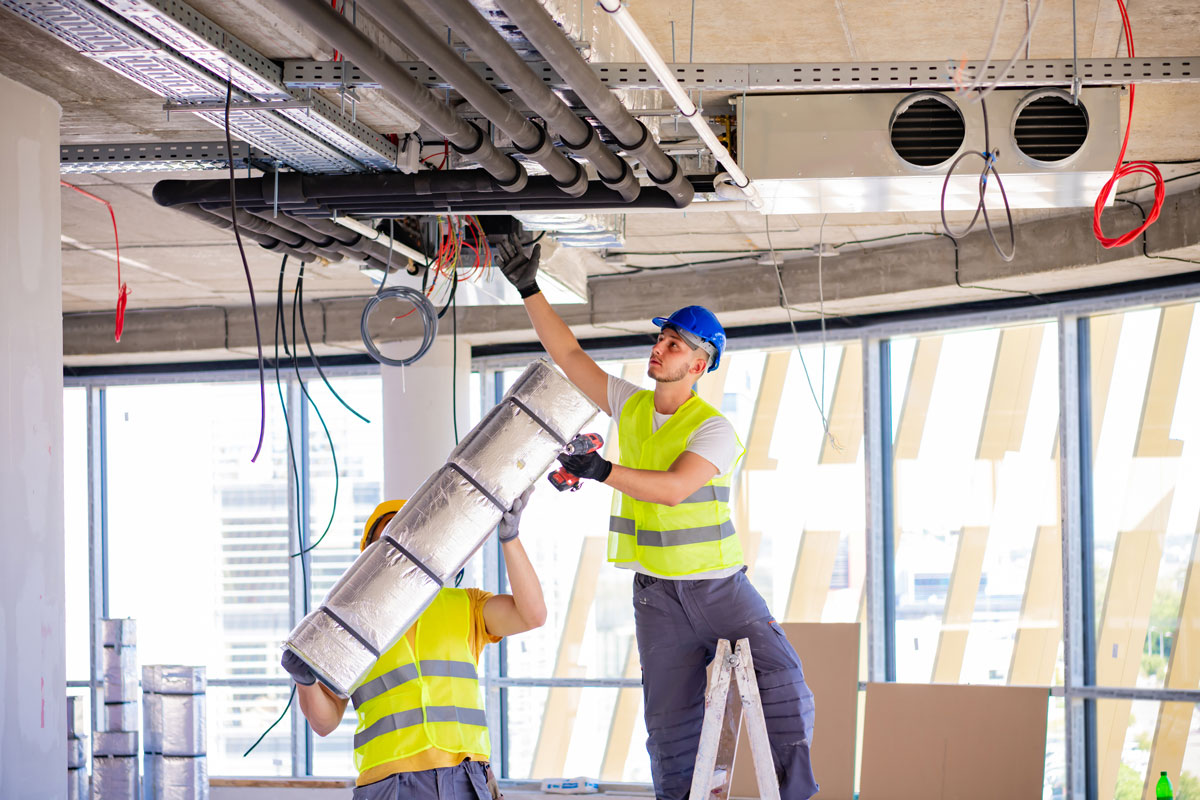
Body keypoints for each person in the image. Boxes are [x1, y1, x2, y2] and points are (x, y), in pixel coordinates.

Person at [496, 237, 818, 800]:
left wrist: (601, 470)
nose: (659, 348)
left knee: (786, 684)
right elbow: (570, 357)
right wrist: (528, 287)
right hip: (656, 599)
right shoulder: (633, 405)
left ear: (700, 364)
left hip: (721, 591)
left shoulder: (712, 428)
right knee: (669, 732)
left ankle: (795, 793)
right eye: (660, 338)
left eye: (675, 344)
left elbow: (672, 490)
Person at [281, 486, 545, 800]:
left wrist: (510, 538)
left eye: (405, 542)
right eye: (385, 546)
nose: (397, 555)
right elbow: (324, 724)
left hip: (465, 777)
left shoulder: (466, 605)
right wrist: (305, 680)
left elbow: (533, 615)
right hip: (389, 784)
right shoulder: (346, 628)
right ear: (366, 557)